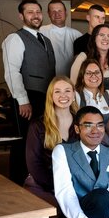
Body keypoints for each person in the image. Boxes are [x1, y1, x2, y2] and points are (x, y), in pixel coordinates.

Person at [2, 0, 56, 183]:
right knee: (24, 141)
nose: (35, 15)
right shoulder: (15, 38)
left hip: (45, 98)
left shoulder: (46, 40)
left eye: (38, 12)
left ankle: (37, 178)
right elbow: (11, 71)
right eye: (30, 12)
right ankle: (18, 180)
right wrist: (22, 100)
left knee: (40, 139)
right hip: (28, 97)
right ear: (21, 16)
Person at [24, 77, 78, 207]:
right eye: (57, 91)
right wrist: (57, 185)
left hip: (76, 184)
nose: (63, 95)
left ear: (74, 95)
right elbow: (34, 164)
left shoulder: (81, 123)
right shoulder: (38, 126)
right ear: (50, 96)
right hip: (45, 184)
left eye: (67, 91)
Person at [74, 59, 109, 146]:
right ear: (82, 77)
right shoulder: (76, 95)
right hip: (84, 143)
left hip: (104, 141)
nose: (93, 76)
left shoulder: (108, 95)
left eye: (97, 72)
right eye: (88, 73)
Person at [70, 23, 109, 92]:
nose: (106, 38)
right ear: (94, 38)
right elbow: (74, 85)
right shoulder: (82, 58)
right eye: (101, 35)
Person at [40, 0, 82, 76]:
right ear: (48, 14)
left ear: (66, 13)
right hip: (48, 80)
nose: (57, 14)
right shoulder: (41, 32)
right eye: (53, 11)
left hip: (71, 78)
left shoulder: (77, 35)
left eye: (60, 11)